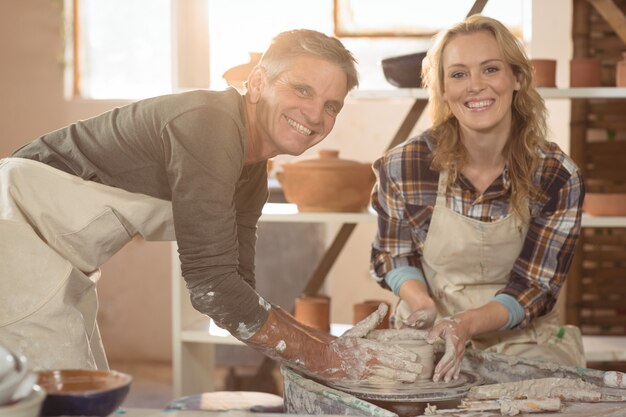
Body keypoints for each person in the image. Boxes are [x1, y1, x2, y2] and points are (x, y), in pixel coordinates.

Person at [0, 29, 422, 384]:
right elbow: (211, 284)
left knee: (84, 390)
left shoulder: (251, 172)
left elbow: (238, 287)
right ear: (257, 83)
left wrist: (327, 343)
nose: (315, 114)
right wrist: (327, 362)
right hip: (17, 228)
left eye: (332, 106)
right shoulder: (211, 123)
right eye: (302, 89)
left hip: (60, 259)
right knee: (53, 398)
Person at [369, 15, 586, 384]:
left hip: (524, 342)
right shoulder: (404, 165)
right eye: (458, 74)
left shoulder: (556, 175)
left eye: (490, 69)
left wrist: (466, 324)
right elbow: (394, 253)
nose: (475, 86)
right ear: (441, 87)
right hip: (430, 335)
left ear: (517, 78)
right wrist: (422, 306)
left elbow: (536, 285)